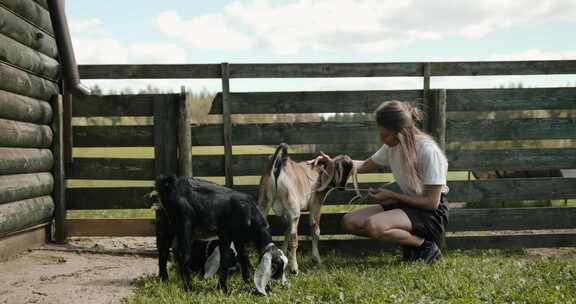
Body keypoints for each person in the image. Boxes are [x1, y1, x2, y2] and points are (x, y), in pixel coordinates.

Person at [311, 100, 449, 264]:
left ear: (402, 132)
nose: (381, 139)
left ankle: (425, 247)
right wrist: (333, 163)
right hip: (409, 206)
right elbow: (363, 165)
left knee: (374, 225)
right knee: (350, 221)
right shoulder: (392, 146)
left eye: (386, 135)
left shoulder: (428, 152)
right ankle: (412, 245)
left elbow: (431, 203)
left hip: (431, 215)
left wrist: (393, 196)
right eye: (380, 133)